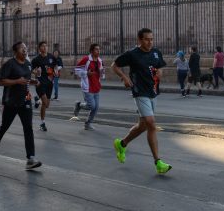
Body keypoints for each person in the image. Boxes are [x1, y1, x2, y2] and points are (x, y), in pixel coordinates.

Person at [111, 28, 171, 174]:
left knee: (143, 125)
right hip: (140, 92)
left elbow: (160, 68)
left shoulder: (156, 52)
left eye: (151, 39)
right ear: (139, 40)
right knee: (151, 123)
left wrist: (160, 72)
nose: (150, 42)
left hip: (153, 91)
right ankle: (158, 162)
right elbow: (114, 65)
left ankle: (122, 143)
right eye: (146, 39)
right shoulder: (132, 54)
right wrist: (124, 77)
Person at [0, 41, 42, 170]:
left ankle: (30, 159)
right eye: (22, 48)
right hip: (10, 101)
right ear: (15, 51)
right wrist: (17, 81)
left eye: (26, 48)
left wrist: (34, 81)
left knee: (28, 128)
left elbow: (26, 81)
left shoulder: (29, 65)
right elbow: (0, 82)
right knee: (4, 126)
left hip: (25, 100)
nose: (25, 50)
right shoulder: (9, 64)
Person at [73, 43, 104, 130]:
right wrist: (86, 73)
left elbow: (101, 73)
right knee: (91, 106)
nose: (98, 51)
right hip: (88, 87)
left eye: (99, 49)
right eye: (96, 49)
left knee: (96, 107)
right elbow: (76, 70)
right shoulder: (86, 59)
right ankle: (79, 105)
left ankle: (88, 124)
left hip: (96, 86)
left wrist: (102, 74)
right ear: (91, 51)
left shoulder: (100, 61)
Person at [30, 41, 58, 132]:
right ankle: (42, 123)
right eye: (43, 46)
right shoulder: (36, 59)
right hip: (40, 83)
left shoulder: (51, 57)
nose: (45, 48)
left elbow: (55, 66)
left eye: (46, 46)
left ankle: (38, 101)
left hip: (49, 83)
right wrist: (35, 72)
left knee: (47, 105)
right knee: (45, 103)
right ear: (39, 48)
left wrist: (56, 71)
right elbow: (29, 69)